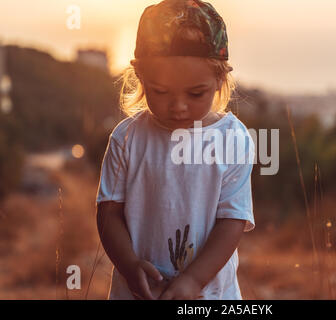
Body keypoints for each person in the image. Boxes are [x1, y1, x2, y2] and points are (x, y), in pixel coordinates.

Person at [95, 0, 255, 300]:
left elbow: (232, 220)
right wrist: (130, 266)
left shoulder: (233, 139)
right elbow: (108, 212)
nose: (178, 106)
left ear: (220, 79)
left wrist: (194, 280)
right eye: (161, 91)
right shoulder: (127, 138)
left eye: (195, 93)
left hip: (209, 296)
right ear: (140, 76)